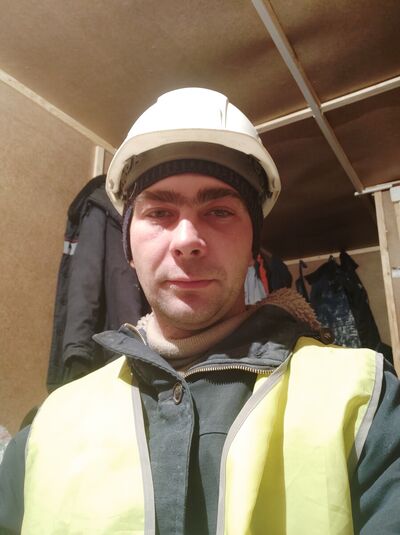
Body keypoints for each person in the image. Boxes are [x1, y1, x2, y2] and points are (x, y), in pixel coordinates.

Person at [1, 87, 399, 535]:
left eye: (220, 211)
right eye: (159, 212)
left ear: (253, 246)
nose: (187, 239)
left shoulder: (366, 399)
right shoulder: (48, 427)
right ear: (128, 247)